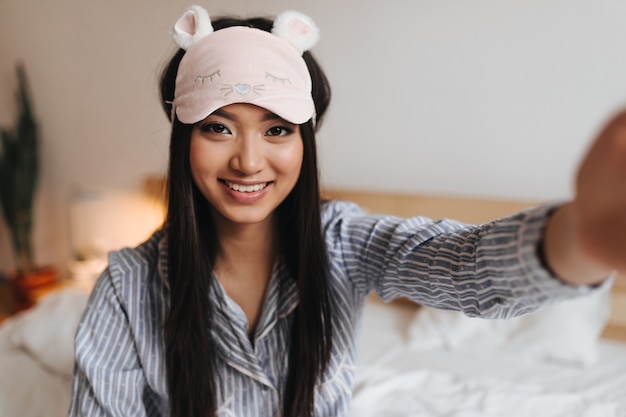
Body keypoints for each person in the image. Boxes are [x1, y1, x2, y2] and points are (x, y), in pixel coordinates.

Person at [68, 5, 625, 417]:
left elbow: (464, 266)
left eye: (277, 129)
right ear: (183, 138)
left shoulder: (345, 241)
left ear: (304, 143)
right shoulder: (126, 286)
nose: (247, 160)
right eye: (217, 127)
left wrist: (582, 239)